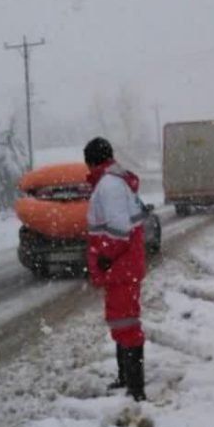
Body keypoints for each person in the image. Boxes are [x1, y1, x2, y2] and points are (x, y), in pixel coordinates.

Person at [84, 137, 147, 401]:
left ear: (91, 162)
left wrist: (104, 257)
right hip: (123, 267)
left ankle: (136, 389)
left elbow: (119, 230)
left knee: (126, 325)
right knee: (121, 322)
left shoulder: (109, 186)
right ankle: (126, 380)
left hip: (120, 267)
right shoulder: (113, 182)